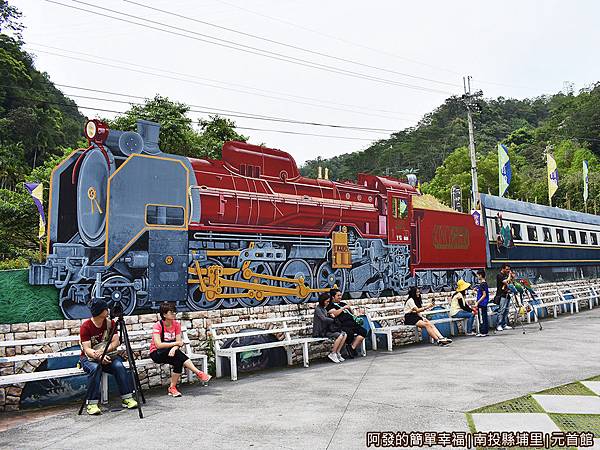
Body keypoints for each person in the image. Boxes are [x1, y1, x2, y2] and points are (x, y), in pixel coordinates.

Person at [79, 299, 138, 415]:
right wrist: (100, 356)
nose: (108, 310)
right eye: (106, 309)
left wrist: (103, 352)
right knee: (95, 369)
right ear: (100, 311)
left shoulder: (110, 323)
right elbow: (87, 349)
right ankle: (92, 403)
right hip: (89, 359)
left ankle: (127, 398)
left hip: (108, 356)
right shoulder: (86, 326)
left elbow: (116, 342)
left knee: (118, 366)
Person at [150, 302, 211, 397]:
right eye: (171, 312)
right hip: (157, 353)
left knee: (178, 362)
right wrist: (175, 345)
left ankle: (172, 388)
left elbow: (179, 342)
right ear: (164, 314)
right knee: (178, 355)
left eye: (175, 312)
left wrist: (174, 348)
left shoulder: (176, 324)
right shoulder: (158, 325)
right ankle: (198, 373)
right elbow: (158, 345)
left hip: (171, 352)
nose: (174, 314)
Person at [325, 288, 367, 358]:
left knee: (364, 332)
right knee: (349, 333)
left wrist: (349, 308)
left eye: (341, 295)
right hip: (342, 325)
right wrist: (343, 308)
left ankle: (352, 347)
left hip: (352, 323)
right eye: (338, 295)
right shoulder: (330, 306)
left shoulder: (343, 303)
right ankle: (346, 350)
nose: (340, 297)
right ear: (333, 297)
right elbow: (334, 313)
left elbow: (352, 314)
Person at [312, 293, 347, 363]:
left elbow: (326, 317)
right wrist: (333, 319)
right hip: (321, 331)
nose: (328, 303)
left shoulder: (324, 309)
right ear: (322, 301)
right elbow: (323, 319)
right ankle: (333, 353)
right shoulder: (318, 309)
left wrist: (330, 315)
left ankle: (337, 353)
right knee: (340, 336)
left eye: (328, 301)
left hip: (327, 329)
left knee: (344, 334)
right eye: (327, 301)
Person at [495, 263, 513, 331]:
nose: (508, 270)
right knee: (501, 310)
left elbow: (510, 283)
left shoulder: (506, 275)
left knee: (506, 310)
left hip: (507, 294)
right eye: (507, 269)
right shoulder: (499, 275)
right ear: (503, 269)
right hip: (501, 295)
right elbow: (506, 282)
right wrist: (509, 275)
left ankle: (504, 324)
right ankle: (498, 325)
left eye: (509, 269)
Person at [475, 270, 489, 337]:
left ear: (480, 275)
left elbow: (484, 294)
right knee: (484, 316)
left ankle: (483, 331)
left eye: (477, 275)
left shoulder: (482, 284)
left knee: (481, 317)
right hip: (484, 303)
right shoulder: (484, 284)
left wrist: (477, 302)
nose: (477, 276)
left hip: (481, 303)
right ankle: (485, 331)